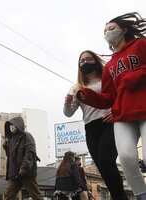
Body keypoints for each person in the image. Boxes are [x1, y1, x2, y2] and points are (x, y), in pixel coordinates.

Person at [77, 12, 146, 199]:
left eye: (111, 28)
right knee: (126, 157)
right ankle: (141, 194)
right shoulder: (109, 66)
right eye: (105, 30)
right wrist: (88, 96)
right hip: (122, 113)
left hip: (144, 108)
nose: (107, 32)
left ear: (123, 29)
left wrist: (136, 75)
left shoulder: (141, 45)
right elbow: (108, 97)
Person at [64, 50, 128, 200]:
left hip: (109, 122)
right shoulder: (77, 87)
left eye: (88, 59)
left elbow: (121, 96)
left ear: (96, 61)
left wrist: (116, 111)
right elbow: (68, 112)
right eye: (82, 61)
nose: (85, 62)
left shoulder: (108, 78)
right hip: (91, 128)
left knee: (106, 160)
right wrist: (67, 103)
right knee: (102, 168)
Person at [2, 116, 43, 200]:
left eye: (12, 124)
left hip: (26, 173)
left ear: (18, 125)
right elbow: (10, 156)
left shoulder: (26, 135)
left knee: (36, 195)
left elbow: (30, 151)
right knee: (8, 196)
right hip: (14, 174)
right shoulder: (11, 139)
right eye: (9, 125)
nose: (11, 127)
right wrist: (5, 146)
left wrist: (24, 167)